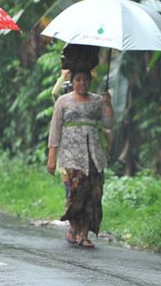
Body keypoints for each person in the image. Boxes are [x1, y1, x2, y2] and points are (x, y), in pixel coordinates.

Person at [47, 69, 114, 248]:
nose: (82, 83)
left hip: (94, 154)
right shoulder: (63, 101)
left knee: (93, 193)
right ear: (73, 81)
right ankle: (74, 227)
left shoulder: (98, 101)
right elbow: (55, 129)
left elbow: (108, 124)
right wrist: (51, 157)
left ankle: (84, 234)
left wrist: (108, 105)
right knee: (75, 192)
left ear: (90, 81)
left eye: (86, 80)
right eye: (78, 79)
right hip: (71, 154)